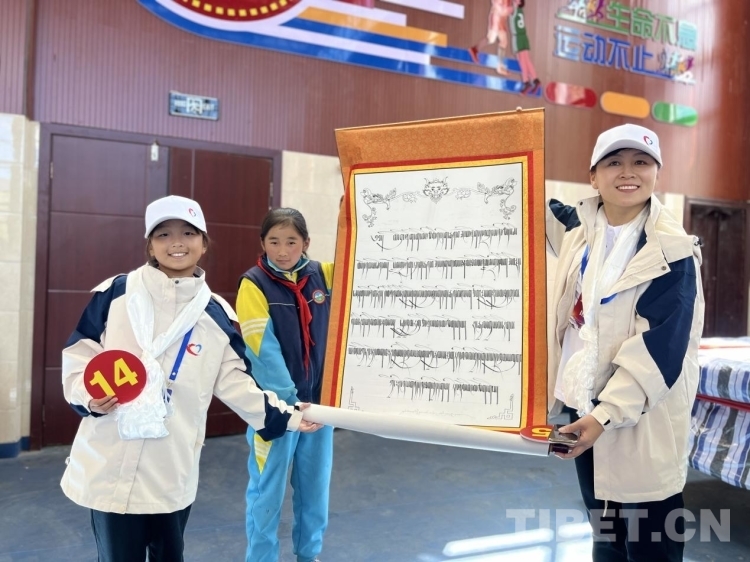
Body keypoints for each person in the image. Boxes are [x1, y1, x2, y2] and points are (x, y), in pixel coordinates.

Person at [61, 195, 321, 562]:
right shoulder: (117, 294)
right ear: (150, 245)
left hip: (170, 466)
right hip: (111, 459)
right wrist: (88, 398)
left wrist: (290, 416)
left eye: (188, 233)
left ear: (204, 243)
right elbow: (79, 355)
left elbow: (237, 383)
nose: (177, 243)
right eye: (163, 234)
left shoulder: (215, 315)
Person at [546, 124, 704, 561]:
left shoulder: (671, 252)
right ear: (593, 177)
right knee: (606, 536)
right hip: (582, 406)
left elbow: (659, 351)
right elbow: (536, 208)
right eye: (614, 162)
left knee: (651, 544)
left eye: (641, 162)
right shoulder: (581, 231)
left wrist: (604, 416)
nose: (627, 172)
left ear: (657, 173)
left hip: (641, 416)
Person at [237, 208, 335, 562]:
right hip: (276, 411)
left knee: (315, 489)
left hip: (321, 409)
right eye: (274, 241)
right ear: (262, 243)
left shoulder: (324, 276)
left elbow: (362, 264)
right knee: (267, 493)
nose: (282, 251)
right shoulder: (253, 284)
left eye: (291, 242)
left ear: (306, 242)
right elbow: (262, 351)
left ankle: (309, 555)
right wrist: (291, 404)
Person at [468, 0, 514, 76]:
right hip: (497, 16)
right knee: (492, 39)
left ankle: (500, 66)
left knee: (501, 41)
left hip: (501, 17)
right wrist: (505, 9)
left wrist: (509, 9)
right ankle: (475, 49)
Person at [508, 0, 540, 95]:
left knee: (522, 61)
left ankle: (526, 82)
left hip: (518, 37)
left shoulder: (513, 9)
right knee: (526, 60)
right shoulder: (520, 11)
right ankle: (535, 80)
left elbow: (505, 9)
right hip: (523, 36)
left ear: (519, 3)